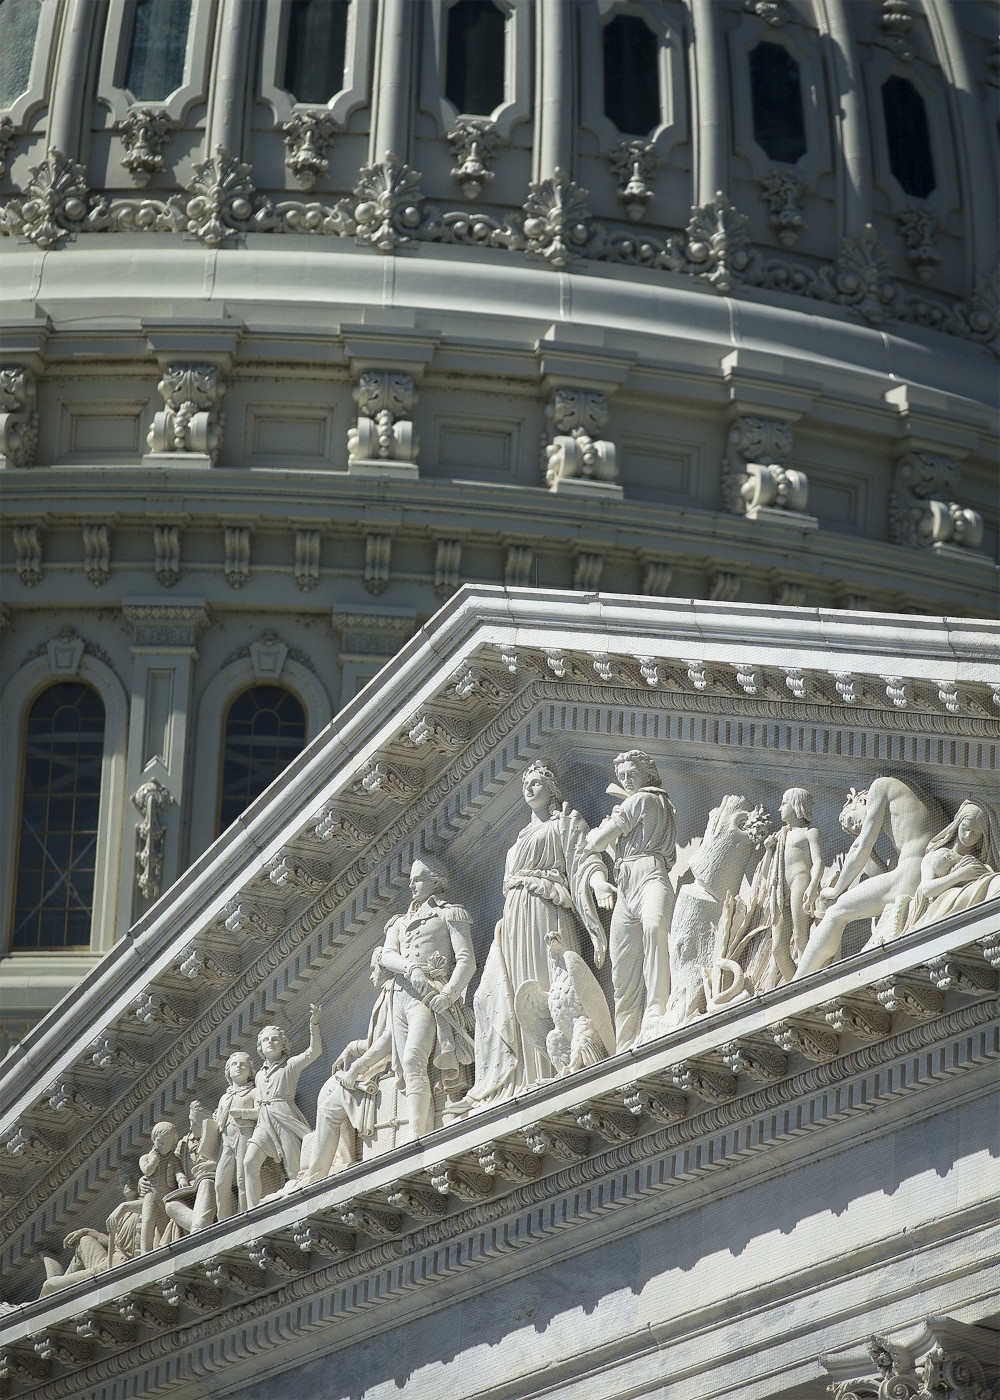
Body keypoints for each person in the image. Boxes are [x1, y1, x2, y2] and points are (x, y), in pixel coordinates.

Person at [467, 760, 614, 1106]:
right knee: (523, 990)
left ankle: (561, 1062)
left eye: (536, 782)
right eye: (526, 783)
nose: (528, 788)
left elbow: (584, 859)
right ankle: (531, 1074)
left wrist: (600, 883)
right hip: (516, 919)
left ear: (552, 789)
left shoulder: (564, 822)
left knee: (551, 980)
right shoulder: (519, 838)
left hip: (546, 912)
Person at [794, 776, 943, 979]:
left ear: (861, 801)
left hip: (910, 874)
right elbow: (877, 875)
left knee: (836, 911)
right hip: (917, 871)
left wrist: (837, 889)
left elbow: (861, 846)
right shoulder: (909, 804)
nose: (855, 828)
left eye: (851, 820)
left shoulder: (881, 786)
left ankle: (798, 981)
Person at [585, 750, 676, 1048]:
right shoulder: (654, 802)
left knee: (652, 932)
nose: (625, 781)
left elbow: (595, 841)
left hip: (649, 874)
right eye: (621, 776)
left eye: (631, 775)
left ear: (647, 775)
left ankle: (655, 1010)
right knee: (622, 962)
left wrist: (605, 826)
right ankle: (628, 1039)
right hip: (627, 884)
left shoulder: (642, 799)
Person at [243, 1007, 322, 1208]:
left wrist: (314, 1024)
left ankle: (297, 1194)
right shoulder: (258, 1075)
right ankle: (252, 1210)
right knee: (249, 1162)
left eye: (275, 1039)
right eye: (266, 1040)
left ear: (284, 1044)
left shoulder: (290, 1066)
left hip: (284, 1115)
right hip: (264, 1121)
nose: (270, 1042)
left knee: (293, 1167)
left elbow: (314, 1052)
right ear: (260, 1047)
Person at [754, 788, 824, 983]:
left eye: (784, 803)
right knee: (777, 948)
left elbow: (818, 862)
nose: (779, 808)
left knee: (801, 936)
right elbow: (767, 873)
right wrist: (768, 850)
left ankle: (806, 982)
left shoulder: (810, 833)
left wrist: (812, 886)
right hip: (780, 890)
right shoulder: (779, 837)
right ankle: (795, 983)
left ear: (797, 805)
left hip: (800, 881)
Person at [899, 798, 1000, 932]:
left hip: (973, 895)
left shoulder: (980, 860)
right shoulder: (934, 855)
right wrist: (960, 875)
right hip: (946, 901)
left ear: (983, 834)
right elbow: (927, 889)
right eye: (965, 827)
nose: (968, 835)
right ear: (958, 824)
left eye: (975, 832)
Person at [214, 1050, 258, 1220]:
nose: (238, 1067)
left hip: (244, 1135)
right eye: (234, 1064)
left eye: (243, 1064)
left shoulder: (253, 1092)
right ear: (228, 1071)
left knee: (242, 1178)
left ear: (250, 1071)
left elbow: (262, 1112)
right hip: (226, 1140)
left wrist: (242, 1113)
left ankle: (245, 1215)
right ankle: (223, 1222)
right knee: (220, 1183)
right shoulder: (224, 1097)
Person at [138, 1120, 181, 1254]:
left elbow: (178, 1172)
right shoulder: (146, 1157)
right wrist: (154, 1160)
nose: (163, 1145)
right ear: (153, 1140)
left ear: (173, 1143)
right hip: (151, 1195)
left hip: (167, 1196)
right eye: (160, 1142)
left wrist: (182, 1179)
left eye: (167, 1143)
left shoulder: (174, 1159)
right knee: (148, 1221)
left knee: (164, 1223)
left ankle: (162, 1249)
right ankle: (145, 1251)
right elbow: (147, 1171)